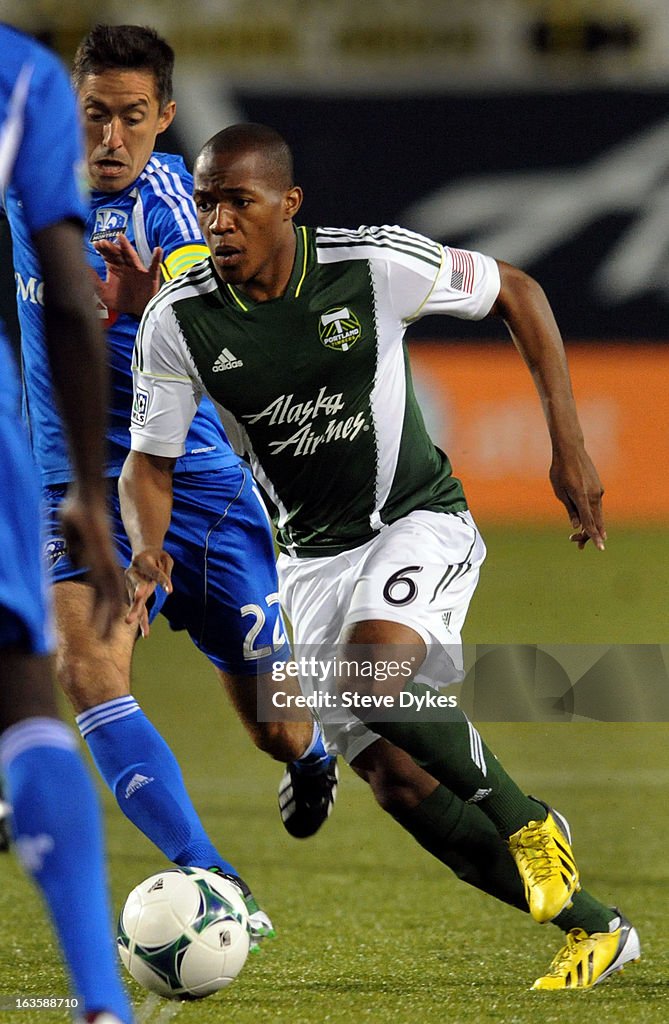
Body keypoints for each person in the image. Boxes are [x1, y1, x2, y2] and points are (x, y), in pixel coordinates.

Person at [120, 122, 641, 990]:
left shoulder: (370, 264)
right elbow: (150, 460)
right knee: (397, 785)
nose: (217, 221)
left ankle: (524, 821)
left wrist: (569, 447)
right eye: (207, 201)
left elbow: (516, 288)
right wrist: (146, 553)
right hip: (309, 565)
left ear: (287, 205)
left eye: (238, 202)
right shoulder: (179, 321)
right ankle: (597, 927)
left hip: (415, 520)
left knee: (371, 677)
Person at [4, 23, 335, 949]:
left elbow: (207, 279)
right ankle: (212, 876)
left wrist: (168, 305)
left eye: (132, 119)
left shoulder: (168, 203)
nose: (112, 139)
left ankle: (312, 759)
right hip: (73, 485)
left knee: (275, 721)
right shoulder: (28, 172)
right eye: (95, 116)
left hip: (193, 487)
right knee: (84, 668)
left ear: (166, 120)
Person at [0, 24, 132, 1024]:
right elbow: (71, 297)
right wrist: (88, 486)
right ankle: (102, 1004)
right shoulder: (25, 80)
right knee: (24, 696)